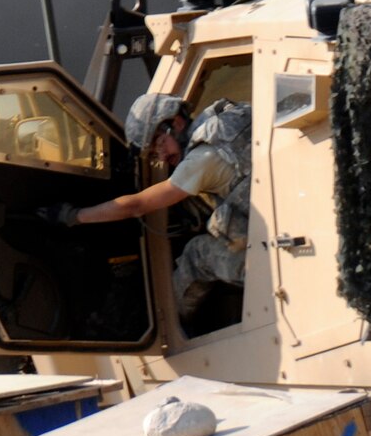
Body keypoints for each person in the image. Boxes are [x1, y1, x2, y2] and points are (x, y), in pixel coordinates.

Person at [41, 91, 253, 317]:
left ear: (176, 123)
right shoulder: (227, 119)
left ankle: (171, 326)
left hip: (270, 254)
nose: (160, 156)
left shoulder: (199, 161)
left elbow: (135, 206)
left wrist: (73, 215)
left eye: (158, 143)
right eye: (153, 152)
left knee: (195, 254)